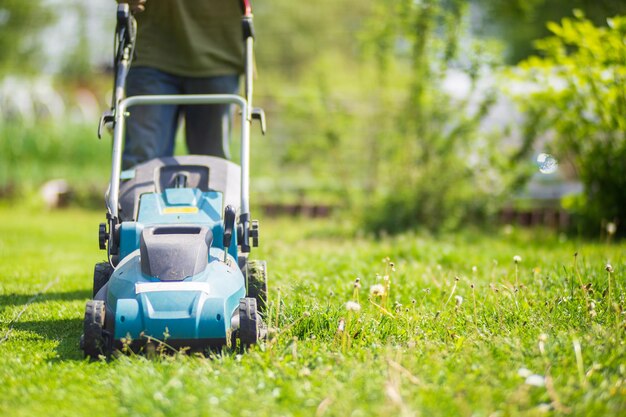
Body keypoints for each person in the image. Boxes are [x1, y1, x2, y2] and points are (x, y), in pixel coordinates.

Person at [116, 0, 245, 169]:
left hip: (219, 54)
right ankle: (137, 196)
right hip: (150, 51)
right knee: (143, 161)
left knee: (212, 165)